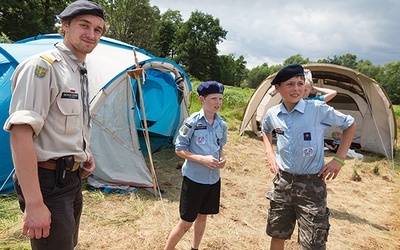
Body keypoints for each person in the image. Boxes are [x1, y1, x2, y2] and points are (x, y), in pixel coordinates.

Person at [3, 1, 108, 249]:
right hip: (46, 181)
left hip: (71, 179)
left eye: (98, 29)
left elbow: (61, 123)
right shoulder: (43, 67)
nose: (91, 34)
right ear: (65, 26)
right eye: (84, 25)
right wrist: (34, 204)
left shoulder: (78, 70)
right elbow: (20, 133)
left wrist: (83, 153)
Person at [261, 64, 356, 250]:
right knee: (276, 233)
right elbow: (265, 131)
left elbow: (350, 124)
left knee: (313, 242)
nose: (296, 88)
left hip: (312, 186)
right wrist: (269, 153)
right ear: (277, 88)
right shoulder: (273, 114)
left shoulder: (317, 109)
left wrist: (339, 159)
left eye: (300, 83)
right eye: (290, 84)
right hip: (283, 183)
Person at [164, 81, 227, 250]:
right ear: (201, 99)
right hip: (194, 180)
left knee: (203, 216)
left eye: (220, 98)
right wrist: (201, 159)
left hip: (213, 180)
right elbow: (179, 149)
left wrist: (222, 159)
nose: (218, 102)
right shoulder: (192, 122)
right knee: (186, 222)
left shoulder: (222, 124)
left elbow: (220, 148)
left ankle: (195, 248)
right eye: (213, 98)